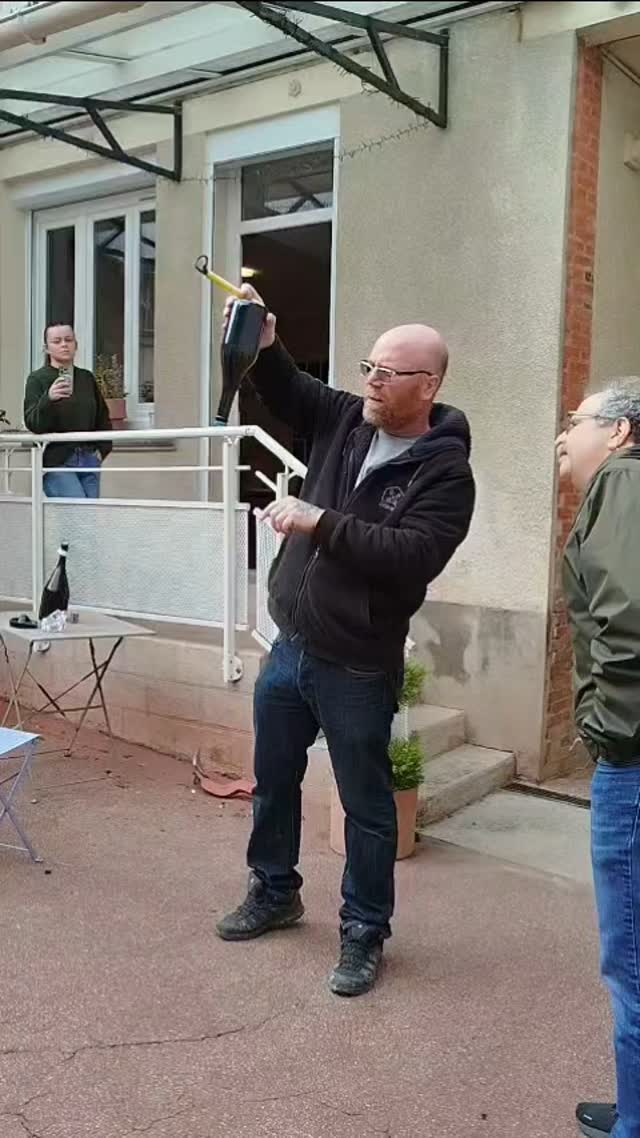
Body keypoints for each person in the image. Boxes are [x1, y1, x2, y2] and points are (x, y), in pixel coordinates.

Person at [216, 284, 475, 997]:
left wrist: (318, 520)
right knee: (274, 780)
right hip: (291, 645)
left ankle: (365, 930)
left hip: (358, 663)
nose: (371, 380)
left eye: (389, 373)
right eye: (370, 366)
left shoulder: (447, 473)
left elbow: (412, 555)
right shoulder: (347, 421)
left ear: (429, 386)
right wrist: (264, 341)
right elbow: (289, 390)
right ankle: (274, 891)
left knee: (366, 806)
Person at [555, 379, 640, 1138]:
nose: (562, 438)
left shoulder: (623, 482)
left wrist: (606, 728)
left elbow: (630, 620)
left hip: (636, 763)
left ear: (617, 433)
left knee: (633, 963)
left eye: (574, 422)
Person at [24, 323, 112, 498]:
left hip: (89, 458)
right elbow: (32, 423)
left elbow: (102, 417)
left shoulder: (86, 378)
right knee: (76, 514)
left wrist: (102, 450)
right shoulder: (38, 379)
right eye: (57, 341)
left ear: (76, 345)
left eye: (68, 340)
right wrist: (48, 399)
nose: (64, 344)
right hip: (58, 460)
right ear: (46, 348)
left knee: (87, 519)